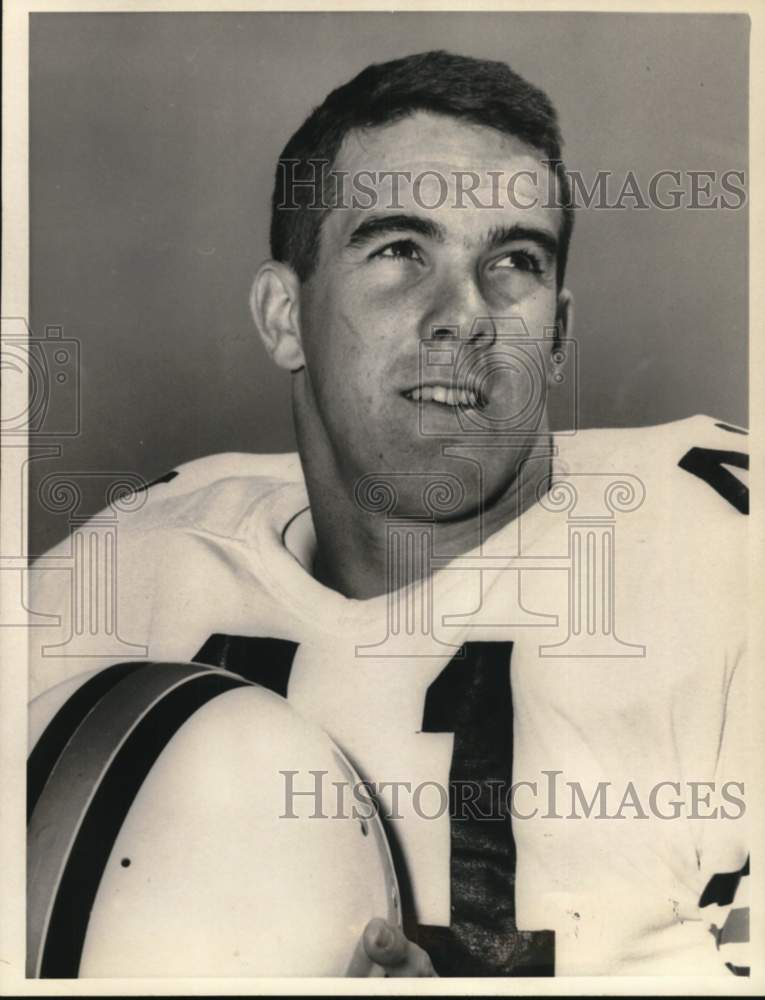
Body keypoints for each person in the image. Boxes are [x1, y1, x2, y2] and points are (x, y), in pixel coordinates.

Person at [28, 50, 749, 977]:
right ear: (282, 316)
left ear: (558, 335)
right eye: (401, 251)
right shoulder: (130, 571)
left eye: (514, 262)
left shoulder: (719, 557)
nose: (466, 316)